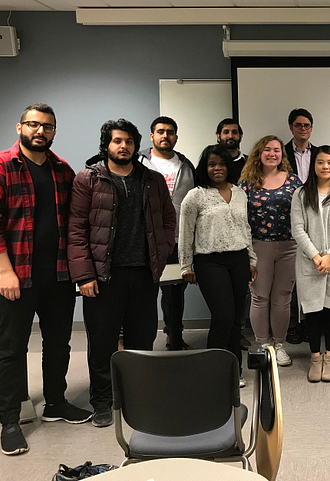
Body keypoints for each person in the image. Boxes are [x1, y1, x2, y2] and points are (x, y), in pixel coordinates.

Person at [0, 104, 92, 456]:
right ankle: (11, 420)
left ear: (54, 131)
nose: (39, 131)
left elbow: (74, 224)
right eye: (33, 124)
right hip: (13, 276)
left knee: (58, 344)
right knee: (11, 348)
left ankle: (56, 403)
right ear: (20, 127)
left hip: (57, 275)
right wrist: (5, 271)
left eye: (47, 126)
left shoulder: (63, 171)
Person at [69, 119, 176, 427]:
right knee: (102, 343)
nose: (124, 146)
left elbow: (168, 220)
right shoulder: (87, 180)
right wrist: (84, 275)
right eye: (117, 141)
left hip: (143, 275)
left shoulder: (151, 180)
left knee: (142, 339)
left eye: (129, 141)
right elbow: (76, 230)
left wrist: (164, 249)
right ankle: (102, 401)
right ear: (107, 145)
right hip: (103, 277)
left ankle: (139, 395)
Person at [179, 145, 258, 387]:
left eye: (222, 164)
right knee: (223, 316)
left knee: (236, 319)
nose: (217, 168)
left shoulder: (240, 193)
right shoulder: (196, 195)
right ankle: (213, 371)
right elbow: (186, 231)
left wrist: (251, 259)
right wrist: (185, 265)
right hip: (209, 261)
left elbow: (245, 229)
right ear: (205, 167)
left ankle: (234, 370)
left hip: (238, 260)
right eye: (212, 164)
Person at [291, 146, 330, 383]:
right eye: (320, 162)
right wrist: (317, 256)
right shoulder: (300, 194)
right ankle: (315, 357)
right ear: (313, 166)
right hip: (309, 263)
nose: (325, 167)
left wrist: (329, 256)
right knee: (313, 312)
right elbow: (298, 229)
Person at [240, 135, 303, 367]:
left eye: (277, 150)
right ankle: (262, 345)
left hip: (289, 246)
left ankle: (279, 345)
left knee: (282, 298)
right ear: (259, 153)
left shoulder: (294, 181)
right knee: (260, 297)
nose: (272, 154)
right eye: (267, 150)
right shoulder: (247, 183)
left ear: (282, 155)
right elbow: (240, 218)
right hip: (258, 246)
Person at [139, 115, 195, 351]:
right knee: (144, 294)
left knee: (175, 294)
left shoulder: (187, 165)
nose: (165, 135)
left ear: (176, 137)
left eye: (170, 132)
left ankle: (175, 336)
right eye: (160, 131)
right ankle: (140, 341)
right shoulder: (138, 162)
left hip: (178, 241)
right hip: (145, 241)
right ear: (152, 135)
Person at [284, 108, 319, 345]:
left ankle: (308, 324)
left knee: (310, 277)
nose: (303, 129)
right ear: (291, 128)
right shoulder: (281, 153)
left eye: (307, 125)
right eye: (299, 125)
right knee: (290, 278)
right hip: (287, 219)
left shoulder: (320, 154)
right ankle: (292, 325)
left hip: (316, 220)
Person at [216, 118, 247, 185]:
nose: (230, 136)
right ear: (218, 137)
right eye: (226, 132)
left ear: (240, 137)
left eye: (234, 132)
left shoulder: (250, 162)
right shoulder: (209, 162)